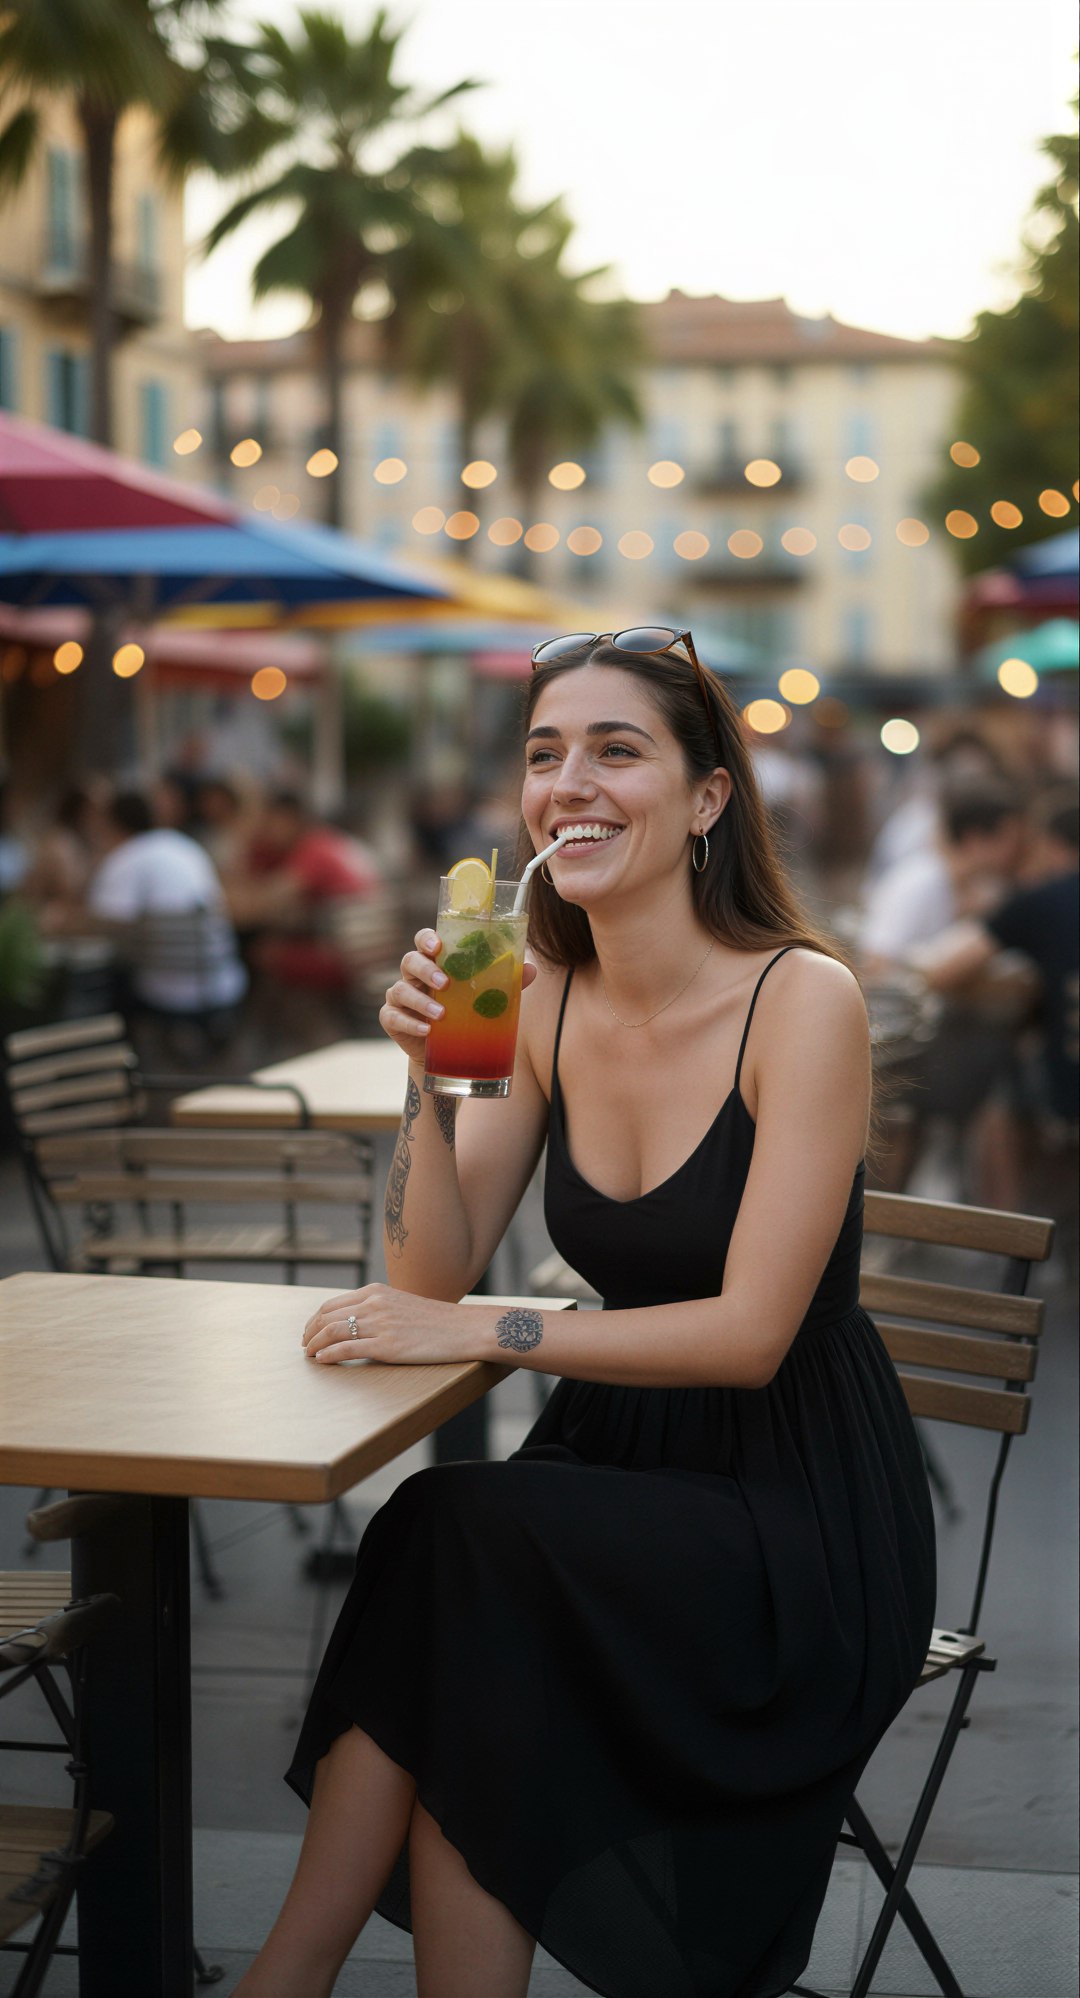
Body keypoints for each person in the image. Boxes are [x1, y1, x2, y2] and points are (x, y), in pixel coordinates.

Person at [235, 633, 935, 1998]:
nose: (572, 783)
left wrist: (499, 1336)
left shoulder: (805, 999)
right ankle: (290, 1979)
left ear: (707, 797)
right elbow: (432, 1265)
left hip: (793, 1512)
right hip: (615, 1473)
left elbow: (747, 1337)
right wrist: (426, 1075)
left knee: (457, 1537)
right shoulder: (527, 982)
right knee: (465, 1586)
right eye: (546, 754)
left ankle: (283, 1978)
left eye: (619, 749)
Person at [85, 788, 247, 1028]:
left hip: (167, 991)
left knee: (103, 983)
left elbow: (99, 922)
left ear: (112, 824)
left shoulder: (125, 855)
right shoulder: (186, 846)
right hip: (223, 982)